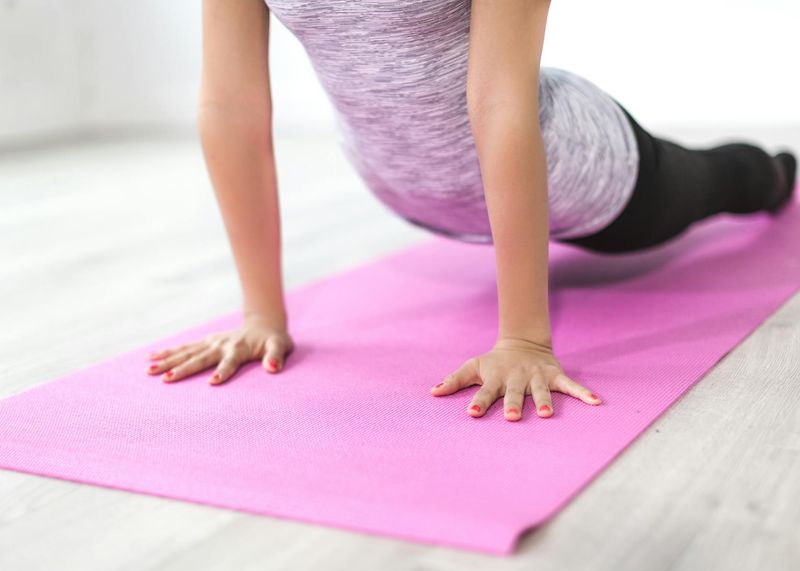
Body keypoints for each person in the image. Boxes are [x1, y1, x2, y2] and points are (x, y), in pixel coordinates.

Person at [146, 0, 797, 422]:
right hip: (412, 188)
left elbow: (501, 103)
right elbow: (232, 105)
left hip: (585, 171)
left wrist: (523, 341)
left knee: (718, 180)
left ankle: (773, 175)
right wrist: (262, 315)